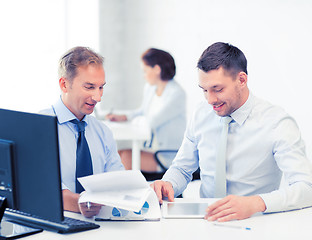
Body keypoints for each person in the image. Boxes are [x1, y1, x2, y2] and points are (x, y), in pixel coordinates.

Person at [151, 42, 312, 222]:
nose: (210, 99)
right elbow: (182, 168)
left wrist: (256, 203)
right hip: (207, 221)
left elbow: (306, 187)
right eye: (204, 90)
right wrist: (168, 183)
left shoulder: (277, 123)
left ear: (242, 80)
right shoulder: (200, 114)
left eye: (217, 89)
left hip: (256, 222)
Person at [41, 46, 124, 218]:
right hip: (50, 225)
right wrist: (79, 202)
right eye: (89, 87)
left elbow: (118, 182)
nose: (98, 97)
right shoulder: (37, 127)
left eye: (101, 87)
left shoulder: (102, 132)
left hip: (97, 227)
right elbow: (40, 186)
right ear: (64, 84)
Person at [106, 48, 186, 172]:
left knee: (126, 158)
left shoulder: (177, 94)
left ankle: (127, 190)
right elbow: (142, 112)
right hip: (150, 149)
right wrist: (124, 117)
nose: (143, 75)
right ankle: (119, 190)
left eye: (145, 71)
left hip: (166, 155)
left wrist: (136, 120)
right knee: (117, 155)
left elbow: (152, 121)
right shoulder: (150, 88)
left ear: (157, 69)